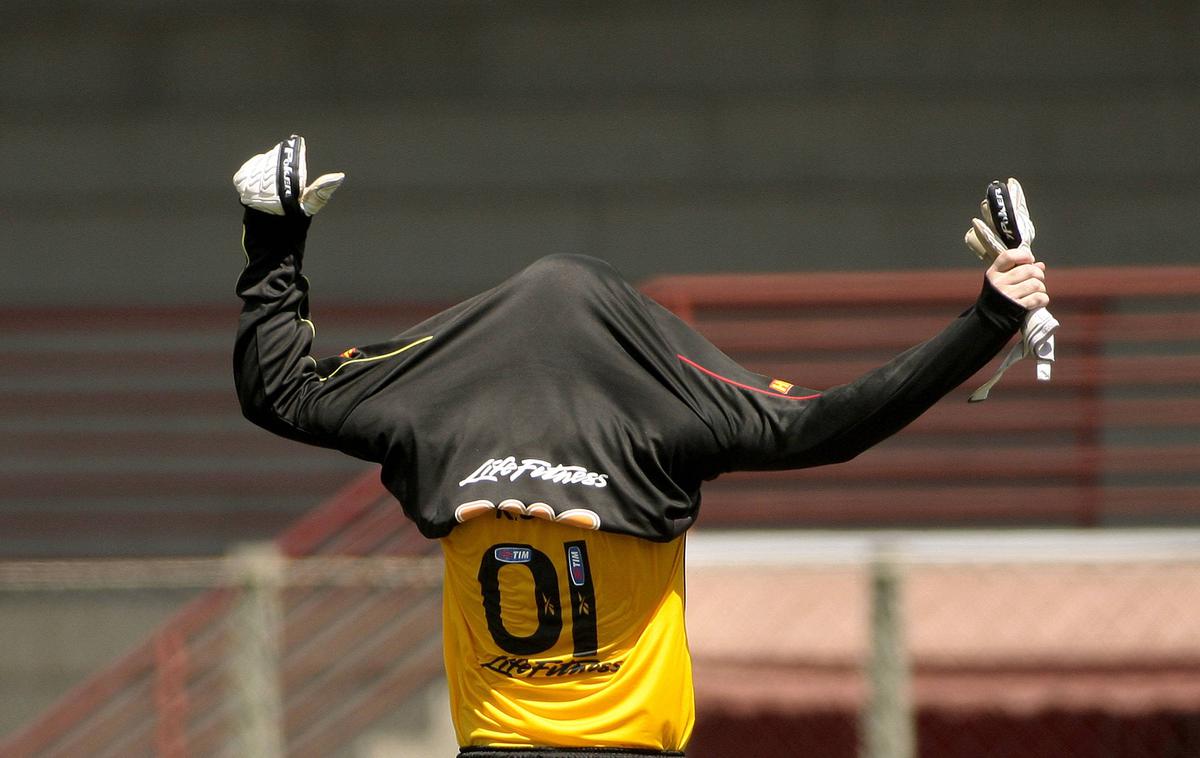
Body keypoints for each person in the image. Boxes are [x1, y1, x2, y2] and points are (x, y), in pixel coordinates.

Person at [232, 136, 1049, 758]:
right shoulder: (666, 412)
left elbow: (282, 391)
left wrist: (272, 236)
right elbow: (831, 422)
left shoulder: (435, 406)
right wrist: (988, 319)